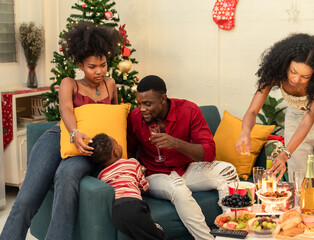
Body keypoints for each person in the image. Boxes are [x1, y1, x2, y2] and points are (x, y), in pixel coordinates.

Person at [1, 22, 120, 240]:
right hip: (59, 138)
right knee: (26, 199)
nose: (99, 71)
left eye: (102, 64)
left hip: (88, 145)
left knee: (65, 175)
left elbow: (114, 118)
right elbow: (66, 109)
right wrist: (74, 133)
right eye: (92, 66)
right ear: (80, 65)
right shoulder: (69, 83)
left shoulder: (111, 84)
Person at [235, 33, 314, 239]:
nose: (296, 79)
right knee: (300, 185)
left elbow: (309, 119)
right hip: (294, 120)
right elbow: (252, 111)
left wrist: (285, 153)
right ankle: (301, 235)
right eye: (293, 72)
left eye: (305, 77)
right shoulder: (274, 74)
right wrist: (245, 132)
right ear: (285, 63)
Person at [127, 75, 239, 240]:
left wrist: (176, 143)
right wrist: (137, 169)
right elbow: (129, 153)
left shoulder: (189, 110)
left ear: (163, 99)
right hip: (154, 175)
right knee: (178, 189)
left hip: (186, 169)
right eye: (139, 103)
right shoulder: (135, 118)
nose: (142, 109)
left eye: (148, 104)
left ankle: (231, 234)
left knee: (227, 171)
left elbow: (209, 152)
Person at [88, 133, 168, 240]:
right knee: (158, 236)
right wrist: (142, 174)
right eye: (116, 143)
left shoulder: (101, 175)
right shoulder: (132, 163)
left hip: (116, 212)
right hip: (133, 205)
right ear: (116, 152)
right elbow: (144, 186)